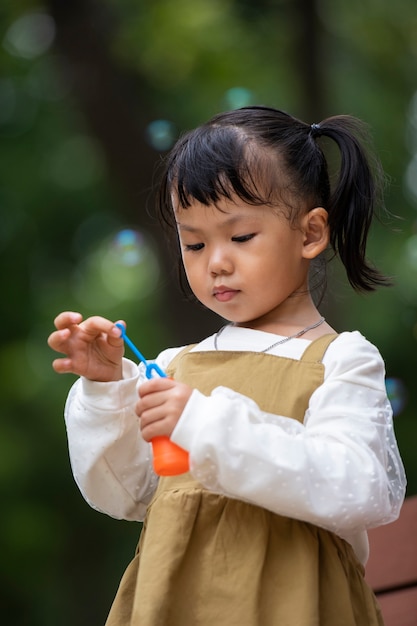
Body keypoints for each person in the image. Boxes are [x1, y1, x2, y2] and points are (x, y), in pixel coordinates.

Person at [48, 106, 406, 626]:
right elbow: (124, 493)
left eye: (239, 237)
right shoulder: (175, 367)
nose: (215, 261)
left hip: (296, 601)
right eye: (194, 242)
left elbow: (358, 486)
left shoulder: (339, 360)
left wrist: (204, 421)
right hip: (175, 601)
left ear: (310, 234)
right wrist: (106, 391)